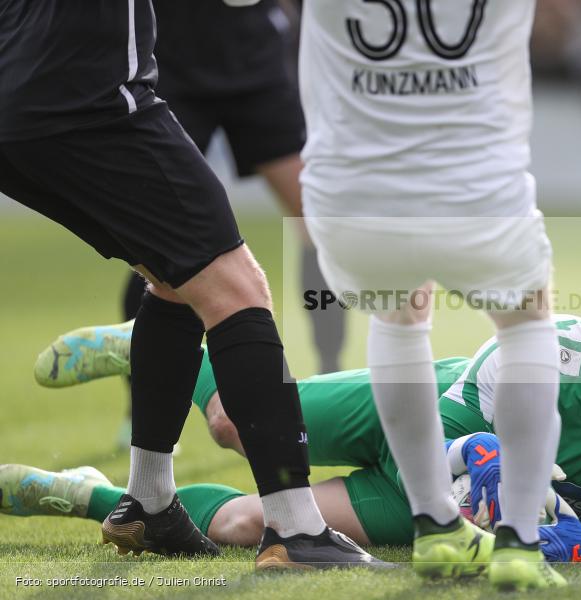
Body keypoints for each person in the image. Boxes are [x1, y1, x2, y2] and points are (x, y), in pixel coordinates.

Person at [18, 247, 581, 568]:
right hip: (418, 408)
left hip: (428, 497)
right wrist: (477, 468)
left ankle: (84, 493)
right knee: (235, 423)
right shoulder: (540, 349)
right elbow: (447, 432)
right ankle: (146, 343)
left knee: (245, 524)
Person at [0, 0, 379, 569]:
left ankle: (148, 504)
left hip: (21, 89)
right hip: (90, 95)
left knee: (174, 274)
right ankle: (298, 532)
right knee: (237, 286)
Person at [299, 1, 564, 588]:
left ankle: (437, 524)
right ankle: (519, 539)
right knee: (525, 324)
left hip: (352, 192)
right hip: (476, 184)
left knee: (398, 315)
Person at [113, 0, 345, 450]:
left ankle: (332, 371)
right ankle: (142, 407)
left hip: (255, 57)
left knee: (319, 222)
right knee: (159, 245)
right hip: (169, 62)